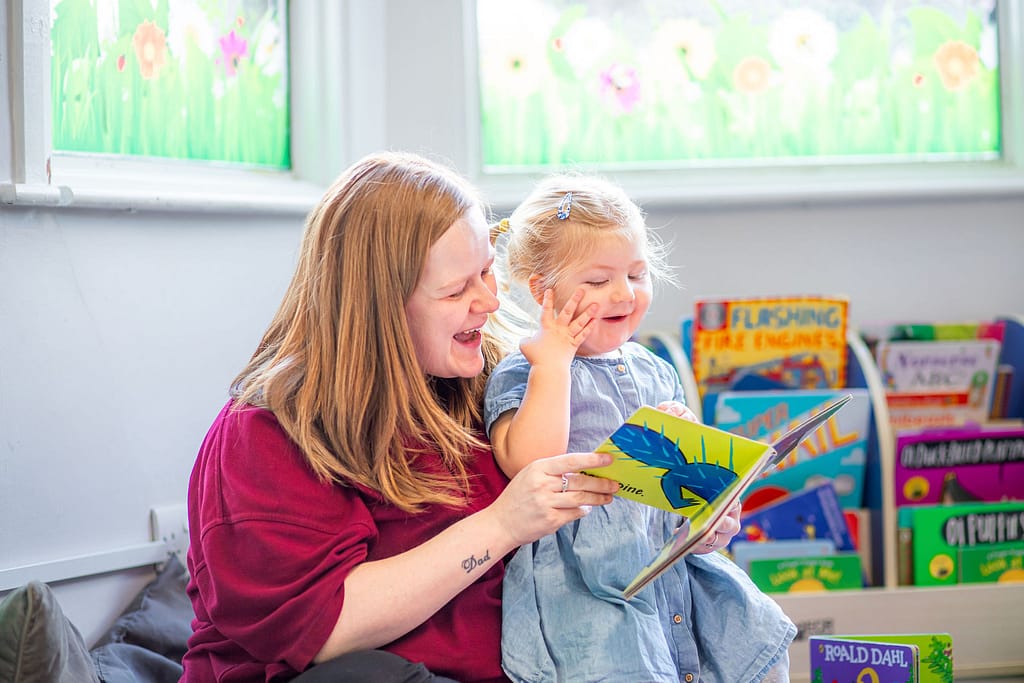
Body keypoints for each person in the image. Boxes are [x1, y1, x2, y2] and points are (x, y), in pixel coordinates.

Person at [180, 151, 622, 683]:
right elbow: (323, 629)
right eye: (457, 290)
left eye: (486, 270)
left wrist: (687, 515)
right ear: (380, 308)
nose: (489, 300)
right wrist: (504, 523)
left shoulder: (502, 381)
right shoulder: (266, 433)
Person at [484, 174, 797, 682]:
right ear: (544, 291)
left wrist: (715, 509)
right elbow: (528, 463)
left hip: (674, 573)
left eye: (637, 273)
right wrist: (554, 360)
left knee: (754, 638)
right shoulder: (526, 370)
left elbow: (693, 483)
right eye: (597, 280)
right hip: (590, 587)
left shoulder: (655, 369)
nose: (624, 294)